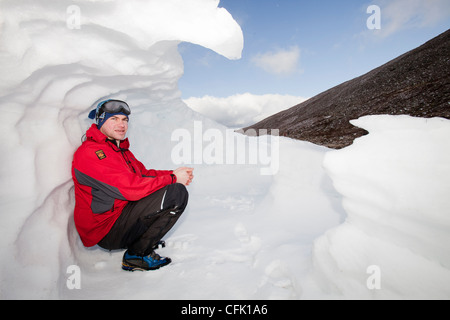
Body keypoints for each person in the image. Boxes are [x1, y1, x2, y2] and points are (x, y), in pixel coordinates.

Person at [72, 99, 193, 271]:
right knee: (175, 194)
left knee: (167, 189)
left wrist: (171, 173)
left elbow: (143, 174)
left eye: (124, 119)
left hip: (120, 216)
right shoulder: (92, 153)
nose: (121, 124)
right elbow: (131, 189)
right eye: (114, 119)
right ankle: (137, 255)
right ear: (100, 121)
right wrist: (173, 179)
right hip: (107, 229)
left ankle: (145, 240)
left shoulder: (118, 150)